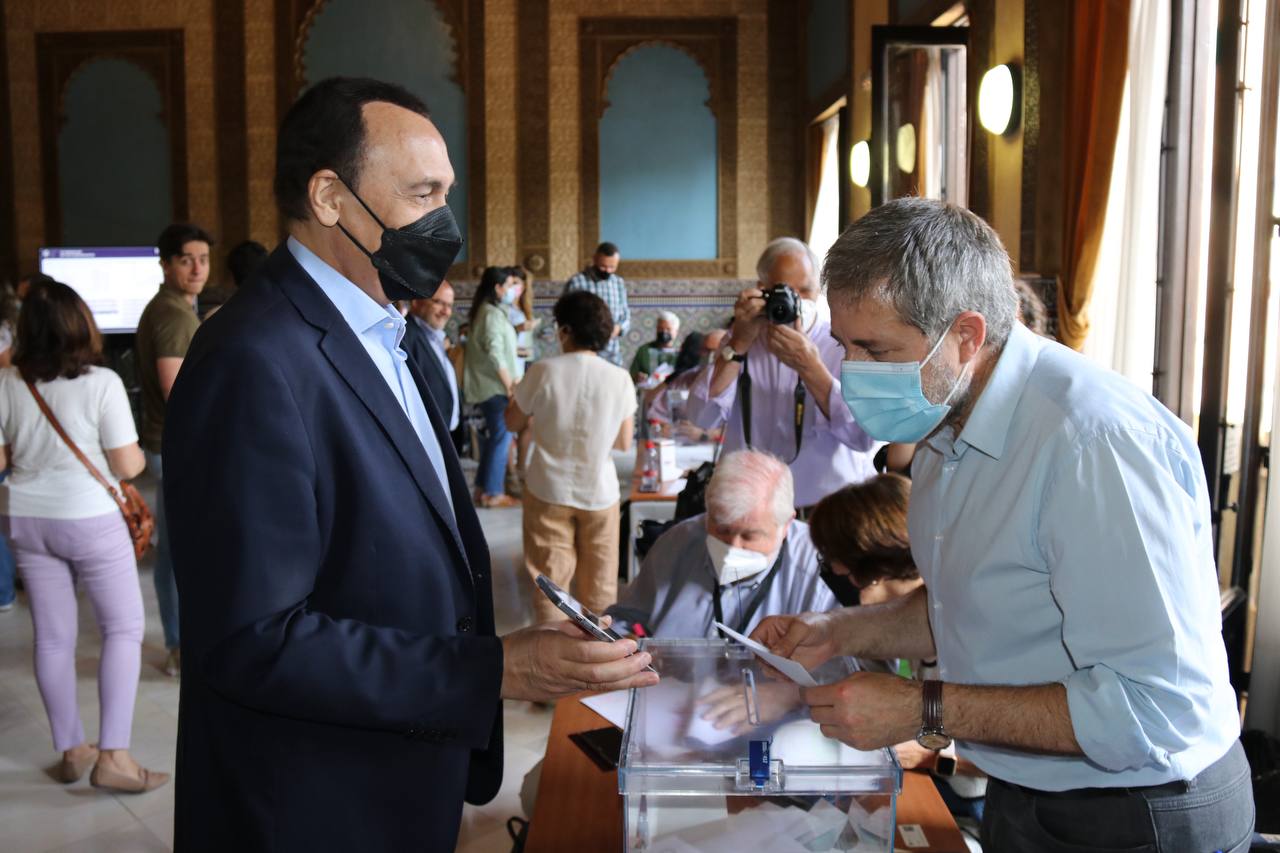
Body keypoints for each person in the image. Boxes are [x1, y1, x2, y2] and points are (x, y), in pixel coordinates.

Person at [162, 77, 658, 852]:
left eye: (446, 194)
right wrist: (495, 670)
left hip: (404, 766)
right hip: (313, 798)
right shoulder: (252, 359)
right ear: (330, 196)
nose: (445, 223)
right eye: (422, 193)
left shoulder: (394, 338)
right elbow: (255, 638)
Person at [753, 198, 1253, 852]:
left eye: (875, 349)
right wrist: (836, 629)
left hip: (1141, 809)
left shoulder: (1091, 443)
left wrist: (919, 709)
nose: (852, 373)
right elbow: (967, 596)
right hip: (1026, 784)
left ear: (964, 335)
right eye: (846, 347)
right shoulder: (944, 414)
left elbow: (1154, 706)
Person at [0, 279, 167, 792]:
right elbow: (127, 464)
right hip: (90, 518)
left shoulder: (7, 383)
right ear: (81, 325)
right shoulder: (101, 383)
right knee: (121, 630)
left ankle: (72, 750)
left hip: (26, 517)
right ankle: (114, 756)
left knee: (51, 637)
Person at [807, 473, 987, 829]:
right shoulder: (876, 632)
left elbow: (1024, 742)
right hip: (913, 785)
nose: (833, 576)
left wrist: (930, 755)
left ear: (869, 572)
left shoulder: (970, 624)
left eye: (834, 564)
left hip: (973, 800)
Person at [686, 237, 876, 508]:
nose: (796, 302)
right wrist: (737, 344)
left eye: (806, 291)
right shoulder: (743, 338)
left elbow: (864, 436)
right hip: (753, 511)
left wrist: (810, 367)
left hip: (828, 513)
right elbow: (702, 416)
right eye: (785, 291)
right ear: (762, 290)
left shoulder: (842, 343)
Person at [606, 449, 835, 638]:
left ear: (786, 525)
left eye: (749, 536)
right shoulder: (676, 543)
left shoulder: (821, 572)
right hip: (670, 685)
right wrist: (621, 639)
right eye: (722, 530)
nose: (732, 548)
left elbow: (837, 666)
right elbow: (628, 618)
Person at [506, 290, 636, 622]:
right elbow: (623, 442)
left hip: (548, 488)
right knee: (601, 585)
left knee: (551, 584)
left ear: (565, 331)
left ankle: (553, 656)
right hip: (600, 491)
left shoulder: (543, 370)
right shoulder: (620, 378)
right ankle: (598, 657)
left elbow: (512, 421)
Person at [134, 222, 211, 677]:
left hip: (170, 445)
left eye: (203, 258)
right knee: (179, 551)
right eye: (186, 259)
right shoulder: (172, 316)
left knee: (177, 548)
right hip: (176, 447)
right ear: (166, 265)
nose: (198, 268)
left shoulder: (173, 308)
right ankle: (181, 646)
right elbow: (176, 391)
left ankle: (181, 641)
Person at [464, 266, 522, 508]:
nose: (512, 290)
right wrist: (510, 387)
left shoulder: (493, 312)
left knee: (497, 438)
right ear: (498, 288)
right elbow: (495, 354)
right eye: (509, 286)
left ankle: (482, 490)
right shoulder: (490, 314)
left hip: (493, 385)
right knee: (502, 438)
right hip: (495, 387)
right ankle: (493, 493)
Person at [403, 280, 460, 435]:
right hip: (426, 434)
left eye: (449, 305)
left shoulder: (435, 336)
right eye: (439, 303)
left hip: (443, 430)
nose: (446, 312)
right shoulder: (405, 337)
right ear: (415, 302)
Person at [563, 241, 629, 366]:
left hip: (611, 354)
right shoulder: (576, 282)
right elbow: (564, 316)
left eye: (612, 267)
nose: (607, 271)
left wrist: (619, 328)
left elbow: (625, 315)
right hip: (582, 352)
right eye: (603, 266)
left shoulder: (619, 283)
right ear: (595, 259)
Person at [630, 310, 680, 385]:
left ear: (676, 332)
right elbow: (631, 376)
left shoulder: (681, 353)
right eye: (660, 328)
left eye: (668, 329)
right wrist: (637, 377)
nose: (664, 332)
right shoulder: (644, 350)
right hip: (648, 393)